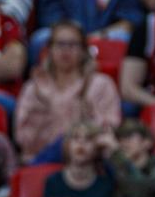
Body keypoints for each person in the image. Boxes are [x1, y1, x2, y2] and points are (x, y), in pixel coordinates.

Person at [13, 20, 121, 163]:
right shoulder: (33, 88)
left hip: (88, 163)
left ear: (83, 50)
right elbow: (23, 139)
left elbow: (109, 131)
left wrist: (84, 108)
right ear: (49, 50)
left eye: (73, 44)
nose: (66, 50)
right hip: (42, 161)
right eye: (60, 44)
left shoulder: (101, 84)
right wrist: (43, 104)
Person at [41, 121, 116, 197]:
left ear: (97, 148)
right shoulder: (53, 182)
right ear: (67, 145)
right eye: (75, 138)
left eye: (88, 139)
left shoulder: (105, 185)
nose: (81, 143)